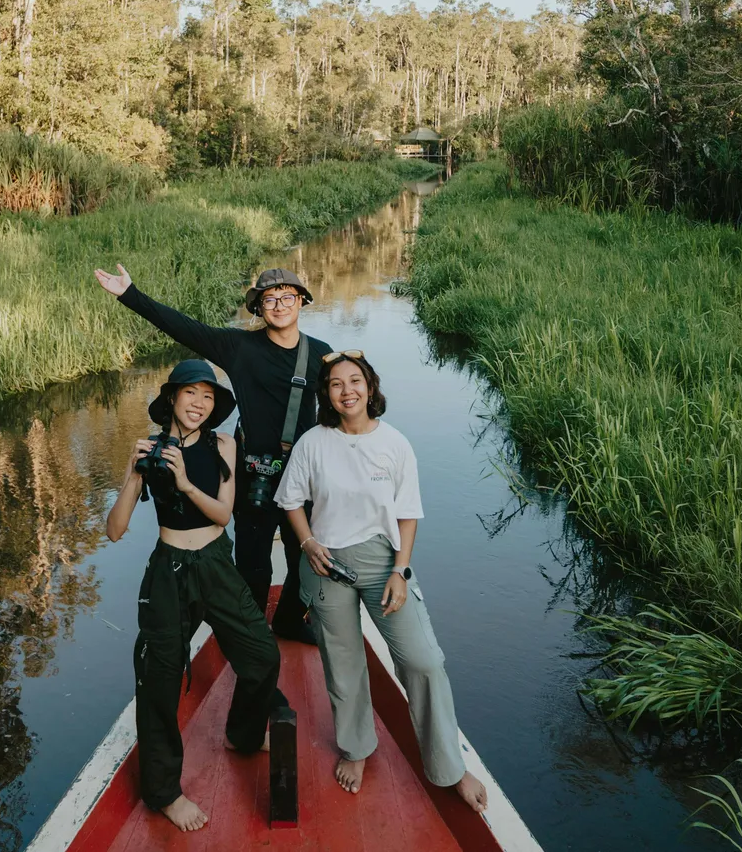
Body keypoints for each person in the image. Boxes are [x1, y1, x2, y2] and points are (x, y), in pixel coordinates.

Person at [275, 350, 488, 814]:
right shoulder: (314, 442)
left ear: (370, 388)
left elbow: (408, 515)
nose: (347, 390)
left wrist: (400, 571)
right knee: (344, 663)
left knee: (424, 660)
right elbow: (290, 500)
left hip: (383, 560)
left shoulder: (395, 444)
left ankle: (449, 767)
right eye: (336, 383)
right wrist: (308, 543)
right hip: (326, 562)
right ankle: (356, 749)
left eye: (356, 381)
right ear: (326, 394)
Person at [93, 263, 329, 641]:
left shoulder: (320, 354)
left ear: (301, 300)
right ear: (258, 308)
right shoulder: (239, 348)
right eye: (270, 298)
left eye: (287, 297)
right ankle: (250, 634)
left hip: (303, 477)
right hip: (253, 476)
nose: (279, 305)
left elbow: (336, 416)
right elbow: (184, 327)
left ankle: (287, 620)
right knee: (253, 564)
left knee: (302, 558)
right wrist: (129, 295)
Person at [105, 359, 284, 833]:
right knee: (160, 679)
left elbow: (224, 515)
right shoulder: (150, 449)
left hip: (216, 564)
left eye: (208, 396)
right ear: (171, 399)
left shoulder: (223, 444)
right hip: (168, 571)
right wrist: (131, 475)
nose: (200, 404)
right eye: (192, 394)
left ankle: (243, 735)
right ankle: (164, 792)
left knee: (262, 654)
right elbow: (115, 531)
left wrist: (184, 482)